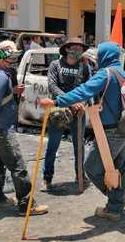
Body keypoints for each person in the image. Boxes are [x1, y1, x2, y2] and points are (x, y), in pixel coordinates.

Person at [39, 42, 125, 221]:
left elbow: (85, 90)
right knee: (118, 167)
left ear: (105, 55)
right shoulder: (121, 72)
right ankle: (116, 204)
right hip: (124, 128)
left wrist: (58, 102)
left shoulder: (105, 73)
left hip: (110, 132)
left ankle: (116, 200)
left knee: (91, 167)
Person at [0, 43, 48, 214]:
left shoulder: (0, 75)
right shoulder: (1, 78)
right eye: (9, 59)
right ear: (0, 60)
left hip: (0, 127)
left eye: (13, 58)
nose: (12, 61)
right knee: (18, 166)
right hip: (2, 129)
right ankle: (27, 205)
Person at [42, 37, 90, 189]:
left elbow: (89, 88)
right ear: (67, 49)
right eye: (74, 48)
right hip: (58, 110)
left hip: (78, 112)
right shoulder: (55, 65)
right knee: (53, 145)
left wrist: (82, 103)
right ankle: (47, 177)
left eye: (80, 48)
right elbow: (52, 86)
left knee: (79, 145)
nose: (77, 51)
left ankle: (80, 175)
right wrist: (70, 101)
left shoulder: (85, 67)